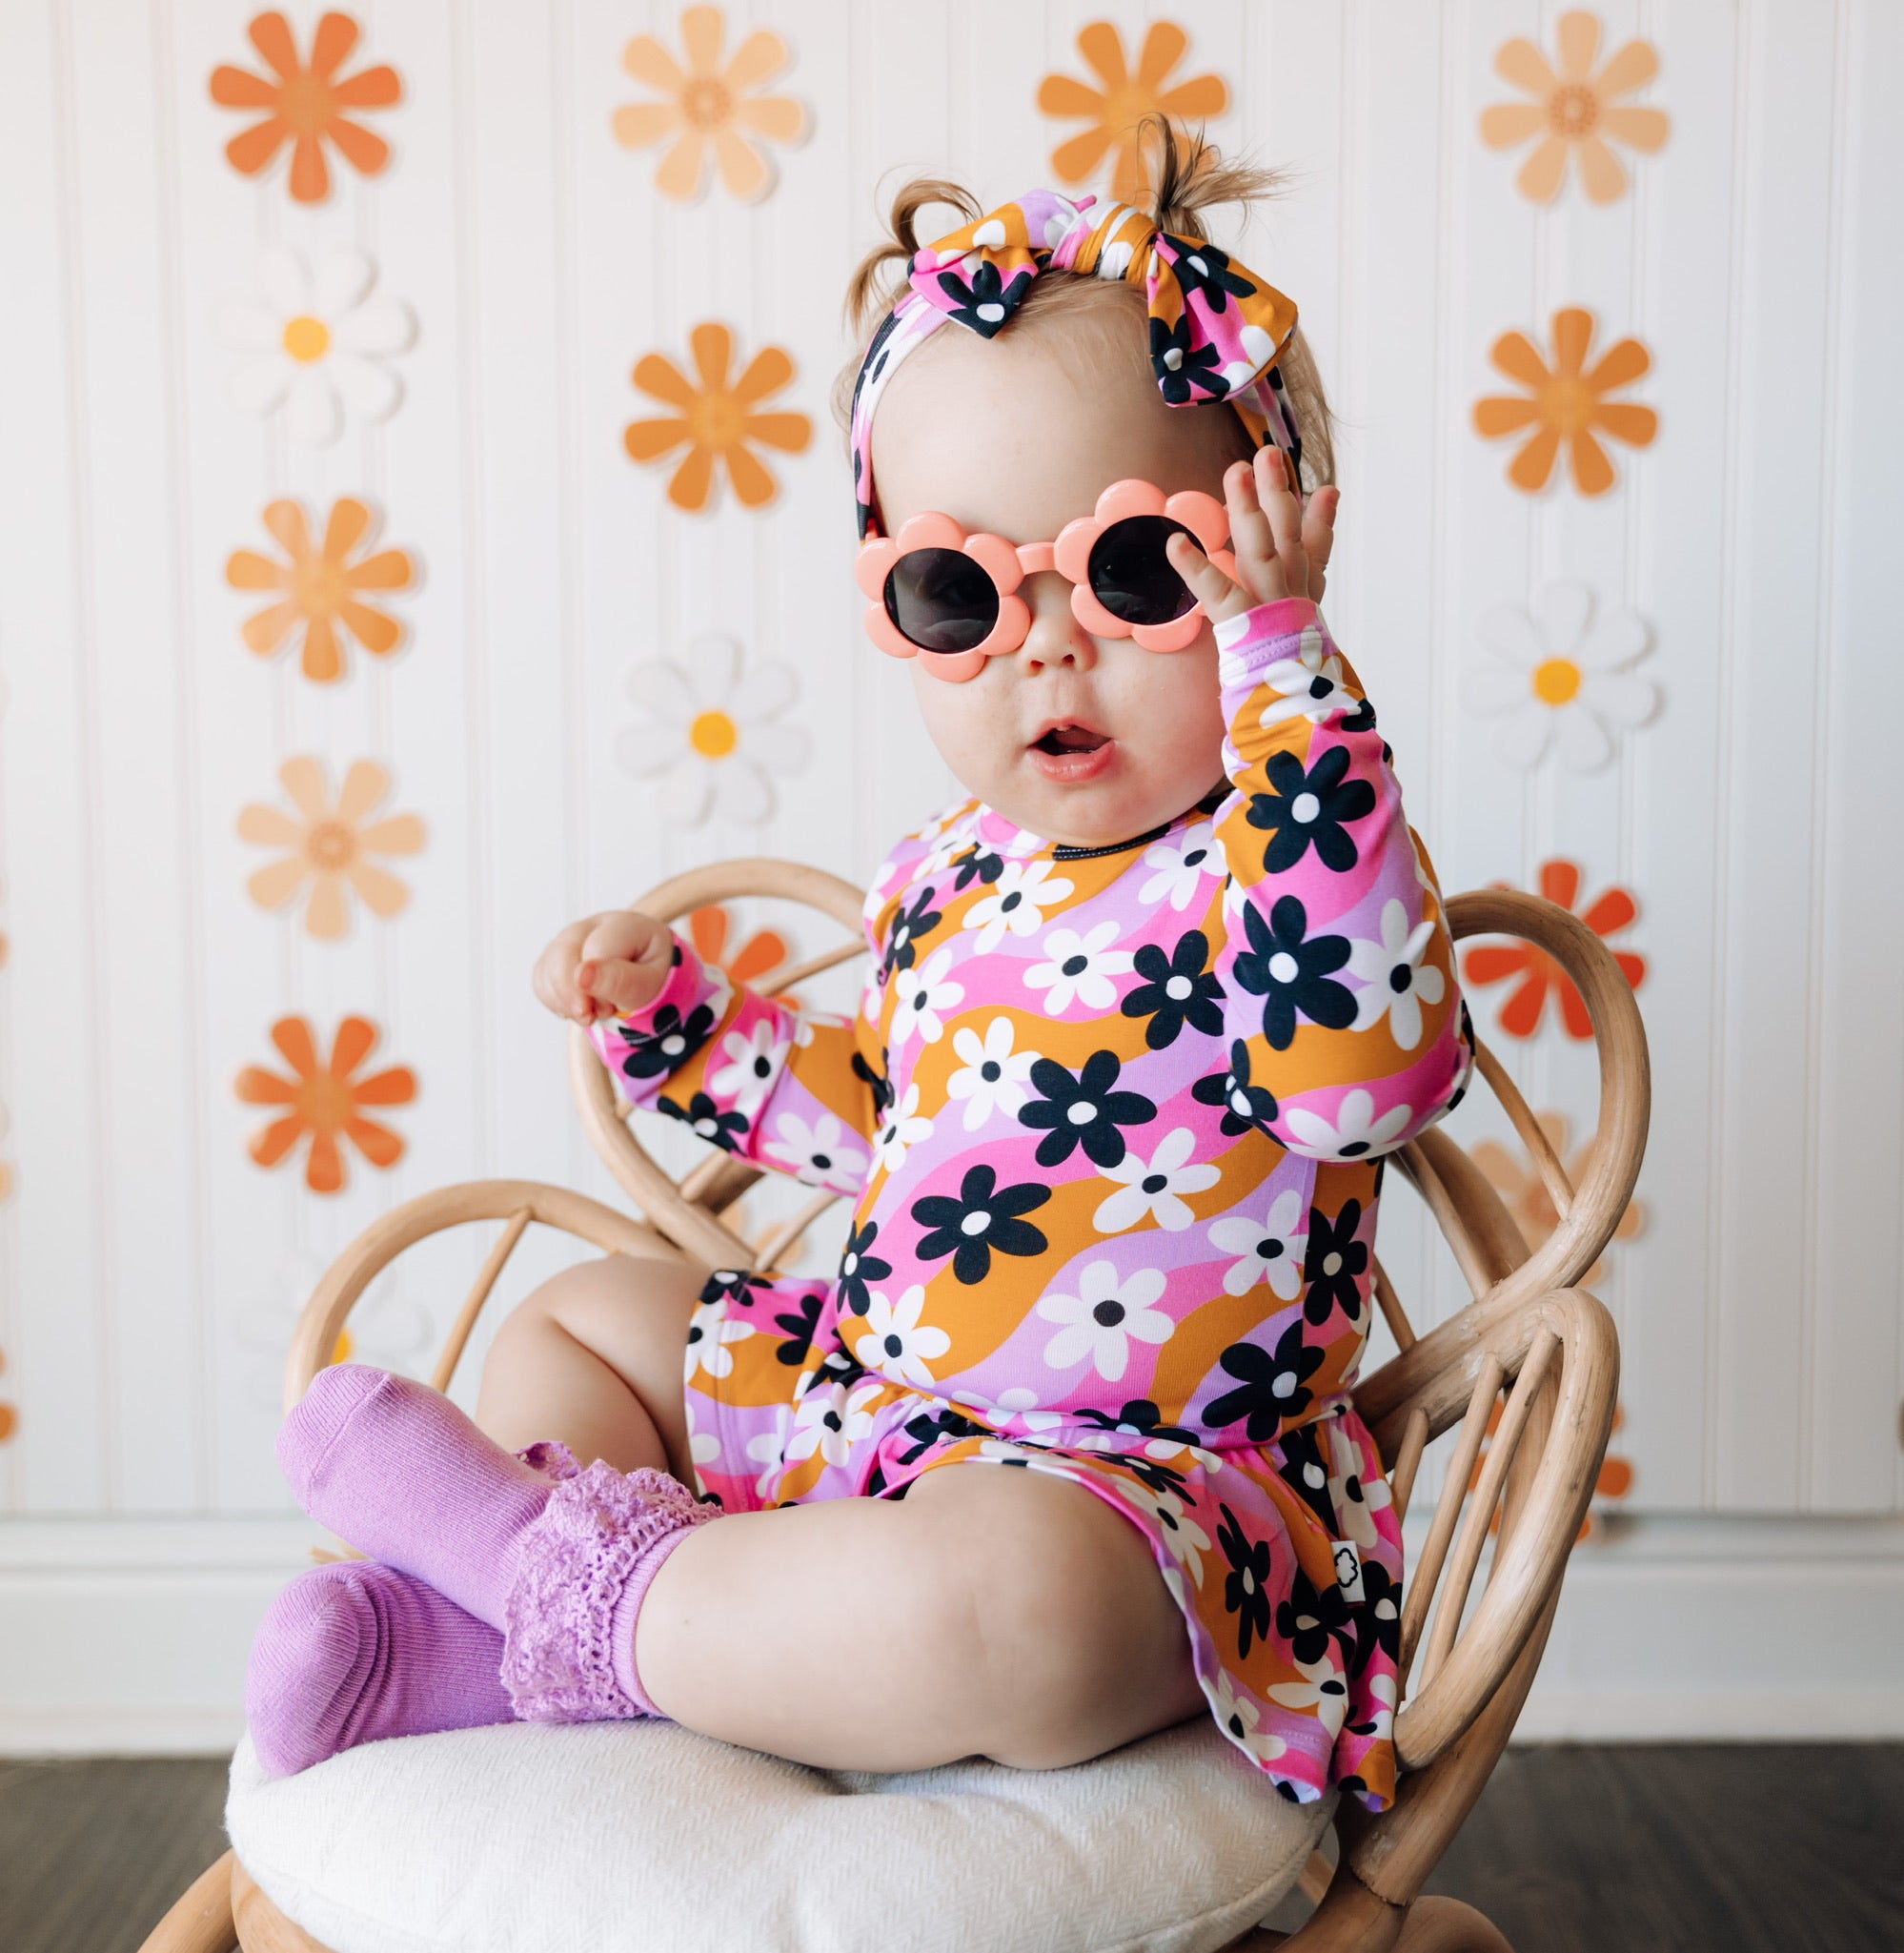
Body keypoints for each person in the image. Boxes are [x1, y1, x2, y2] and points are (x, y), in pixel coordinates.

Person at [246, 132, 1471, 1814]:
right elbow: (893, 1129)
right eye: (960, 591)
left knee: (1018, 1606)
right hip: (873, 1407)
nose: (1050, 640)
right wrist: (687, 1024)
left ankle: (534, 1599)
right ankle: (559, 1629)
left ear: (1265, 561)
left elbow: (1366, 1078)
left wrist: (1289, 684)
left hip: (1140, 1497)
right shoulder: (943, 873)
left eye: (1136, 572)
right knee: (585, 1319)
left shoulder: (1289, 853)